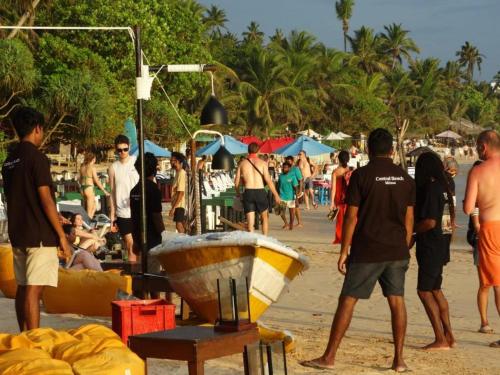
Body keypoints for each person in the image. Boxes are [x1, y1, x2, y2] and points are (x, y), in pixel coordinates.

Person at [302, 128, 415, 372]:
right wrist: (404, 245)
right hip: (396, 249)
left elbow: (351, 217)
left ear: (368, 150)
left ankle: (329, 356)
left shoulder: (361, 176)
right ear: (392, 151)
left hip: (368, 249)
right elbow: (409, 218)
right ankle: (399, 360)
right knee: (397, 301)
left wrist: (344, 251)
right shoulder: (405, 178)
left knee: (348, 300)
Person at [1, 107, 72, 331]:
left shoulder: (9, 161)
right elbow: (45, 199)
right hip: (39, 234)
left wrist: (54, 216)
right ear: (37, 129)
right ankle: (34, 339)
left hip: (19, 233)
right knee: (34, 288)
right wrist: (61, 236)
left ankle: (24, 337)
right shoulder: (38, 159)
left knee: (23, 286)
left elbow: (23, 197)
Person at [414, 151, 456, 350]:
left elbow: (430, 222)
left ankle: (440, 337)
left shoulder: (431, 188)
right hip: (442, 244)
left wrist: (413, 231)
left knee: (424, 291)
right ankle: (449, 334)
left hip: (431, 245)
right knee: (435, 289)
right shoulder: (446, 186)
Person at [464, 130, 500, 348]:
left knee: (496, 283)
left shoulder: (478, 171)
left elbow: (469, 208)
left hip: (491, 229)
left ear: (483, 147)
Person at [235, 142, 281, 236]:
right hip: (260, 192)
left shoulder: (242, 164)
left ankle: (251, 242)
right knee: (264, 218)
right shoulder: (263, 163)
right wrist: (276, 195)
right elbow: (268, 181)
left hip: (248, 192)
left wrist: (238, 194)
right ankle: (265, 240)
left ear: (248, 151)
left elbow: (236, 182)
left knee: (250, 223)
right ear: (258, 151)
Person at [130, 152, 165, 270]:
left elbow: (134, 218)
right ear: (154, 169)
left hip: (139, 240)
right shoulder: (153, 190)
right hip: (152, 241)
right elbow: (156, 216)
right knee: (152, 276)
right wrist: (164, 235)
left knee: (142, 276)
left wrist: (135, 241)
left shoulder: (134, 190)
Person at [108, 135, 139, 262]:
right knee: (131, 244)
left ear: (129, 147)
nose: (122, 152)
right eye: (119, 150)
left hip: (138, 209)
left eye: (125, 149)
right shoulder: (113, 167)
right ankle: (132, 276)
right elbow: (112, 192)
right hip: (122, 212)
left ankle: (139, 272)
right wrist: (112, 216)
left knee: (139, 245)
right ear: (116, 150)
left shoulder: (136, 162)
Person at [79, 151, 110, 219]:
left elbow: (80, 179)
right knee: (89, 211)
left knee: (94, 206)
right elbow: (97, 181)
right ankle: (88, 226)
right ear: (93, 159)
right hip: (89, 188)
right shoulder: (92, 167)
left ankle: (89, 223)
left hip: (82, 188)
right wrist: (104, 191)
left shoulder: (82, 167)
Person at [330, 151, 351, 244]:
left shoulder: (335, 172)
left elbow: (333, 189)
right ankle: (350, 238)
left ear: (338, 159)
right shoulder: (350, 170)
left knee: (341, 219)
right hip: (349, 196)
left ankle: (340, 237)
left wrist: (331, 202)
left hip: (339, 197)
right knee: (350, 218)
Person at [442, 156, 458, 264]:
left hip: (441, 212)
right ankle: (444, 257)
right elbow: (452, 201)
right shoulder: (449, 179)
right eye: (453, 171)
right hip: (446, 213)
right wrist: (453, 219)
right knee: (446, 239)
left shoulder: (438, 177)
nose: (454, 173)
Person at [169, 152, 187, 234]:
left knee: (178, 225)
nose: (172, 162)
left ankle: (183, 243)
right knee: (183, 225)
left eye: (174, 160)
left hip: (179, 204)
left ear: (179, 162)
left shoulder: (181, 173)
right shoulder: (177, 173)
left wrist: (174, 208)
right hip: (177, 204)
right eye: (171, 160)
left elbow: (181, 192)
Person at [277, 162, 298, 230]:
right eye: (283, 167)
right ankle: (286, 223)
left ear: (289, 168)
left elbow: (295, 188)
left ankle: (291, 224)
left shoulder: (292, 176)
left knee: (291, 213)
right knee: (281, 212)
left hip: (290, 197)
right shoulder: (280, 176)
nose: (284, 169)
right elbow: (278, 186)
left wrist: (296, 199)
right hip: (282, 196)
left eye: (286, 167)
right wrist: (277, 195)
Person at [285, 155, 304, 227]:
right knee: (292, 207)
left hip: (295, 189)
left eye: (289, 161)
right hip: (288, 190)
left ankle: (299, 222)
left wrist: (301, 190)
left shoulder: (295, 169)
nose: (288, 163)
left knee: (296, 206)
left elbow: (301, 180)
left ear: (292, 161)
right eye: (287, 161)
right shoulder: (287, 168)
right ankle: (291, 223)